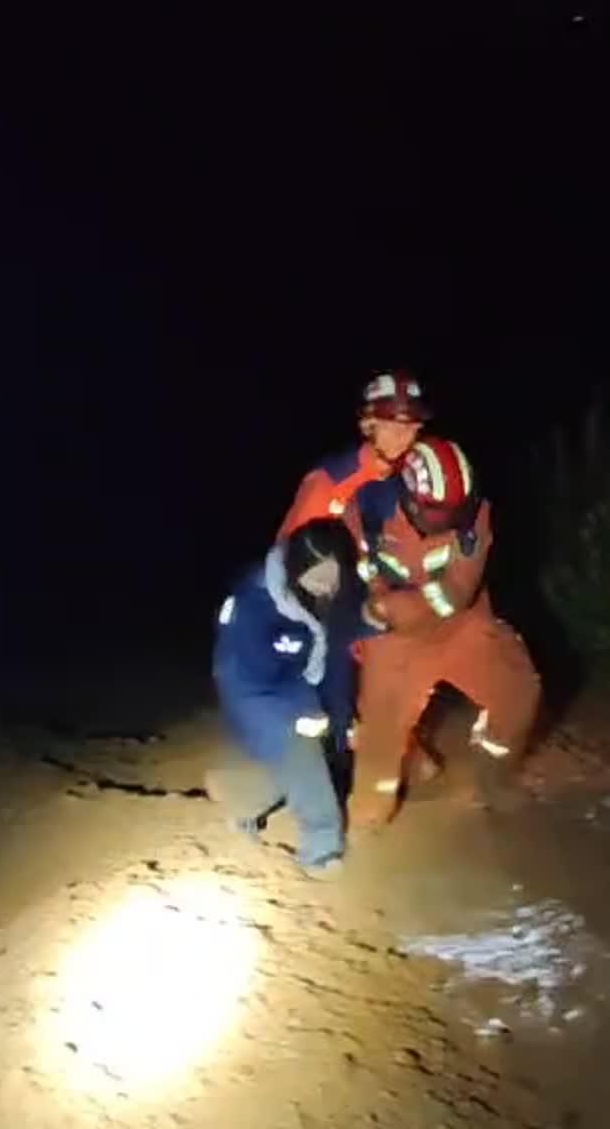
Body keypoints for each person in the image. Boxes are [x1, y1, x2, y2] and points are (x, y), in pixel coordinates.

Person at [348, 436, 541, 824]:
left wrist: (391, 607)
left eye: (460, 508)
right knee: (377, 758)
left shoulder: (475, 517)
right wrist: (370, 612)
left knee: (519, 692)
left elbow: (455, 593)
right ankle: (382, 797)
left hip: (461, 626)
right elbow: (357, 580)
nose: (451, 519)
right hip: (394, 645)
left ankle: (493, 776)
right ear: (408, 497)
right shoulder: (366, 511)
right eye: (438, 510)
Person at [213, 518, 364, 878]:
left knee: (324, 751)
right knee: (301, 748)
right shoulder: (256, 604)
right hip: (251, 690)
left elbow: (336, 636)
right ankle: (321, 850)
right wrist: (299, 711)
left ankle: (242, 799)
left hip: (291, 683)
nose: (328, 586)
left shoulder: (319, 593)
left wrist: (372, 622)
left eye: (334, 576)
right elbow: (247, 674)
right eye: (319, 578)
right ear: (298, 569)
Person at [276, 370, 431, 542]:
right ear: (368, 425)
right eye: (393, 425)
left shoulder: (419, 475)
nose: (403, 435)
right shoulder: (330, 481)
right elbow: (289, 554)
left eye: (412, 426)